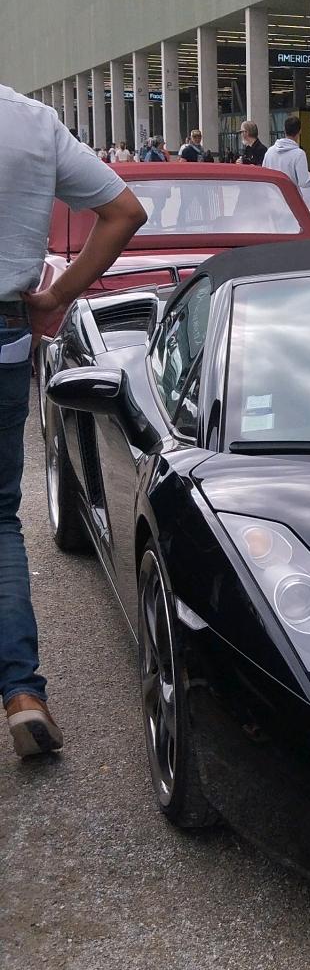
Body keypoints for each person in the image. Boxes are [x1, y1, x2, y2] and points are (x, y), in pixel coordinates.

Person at [0, 85, 146, 757]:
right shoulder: (30, 121)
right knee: (0, 519)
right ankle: (23, 693)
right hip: (2, 336)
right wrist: (55, 296)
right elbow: (122, 211)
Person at [263, 113, 310, 206]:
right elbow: (304, 182)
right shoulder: (299, 154)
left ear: (284, 130)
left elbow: (264, 176)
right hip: (291, 201)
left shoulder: (270, 151)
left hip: (273, 200)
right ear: (300, 131)